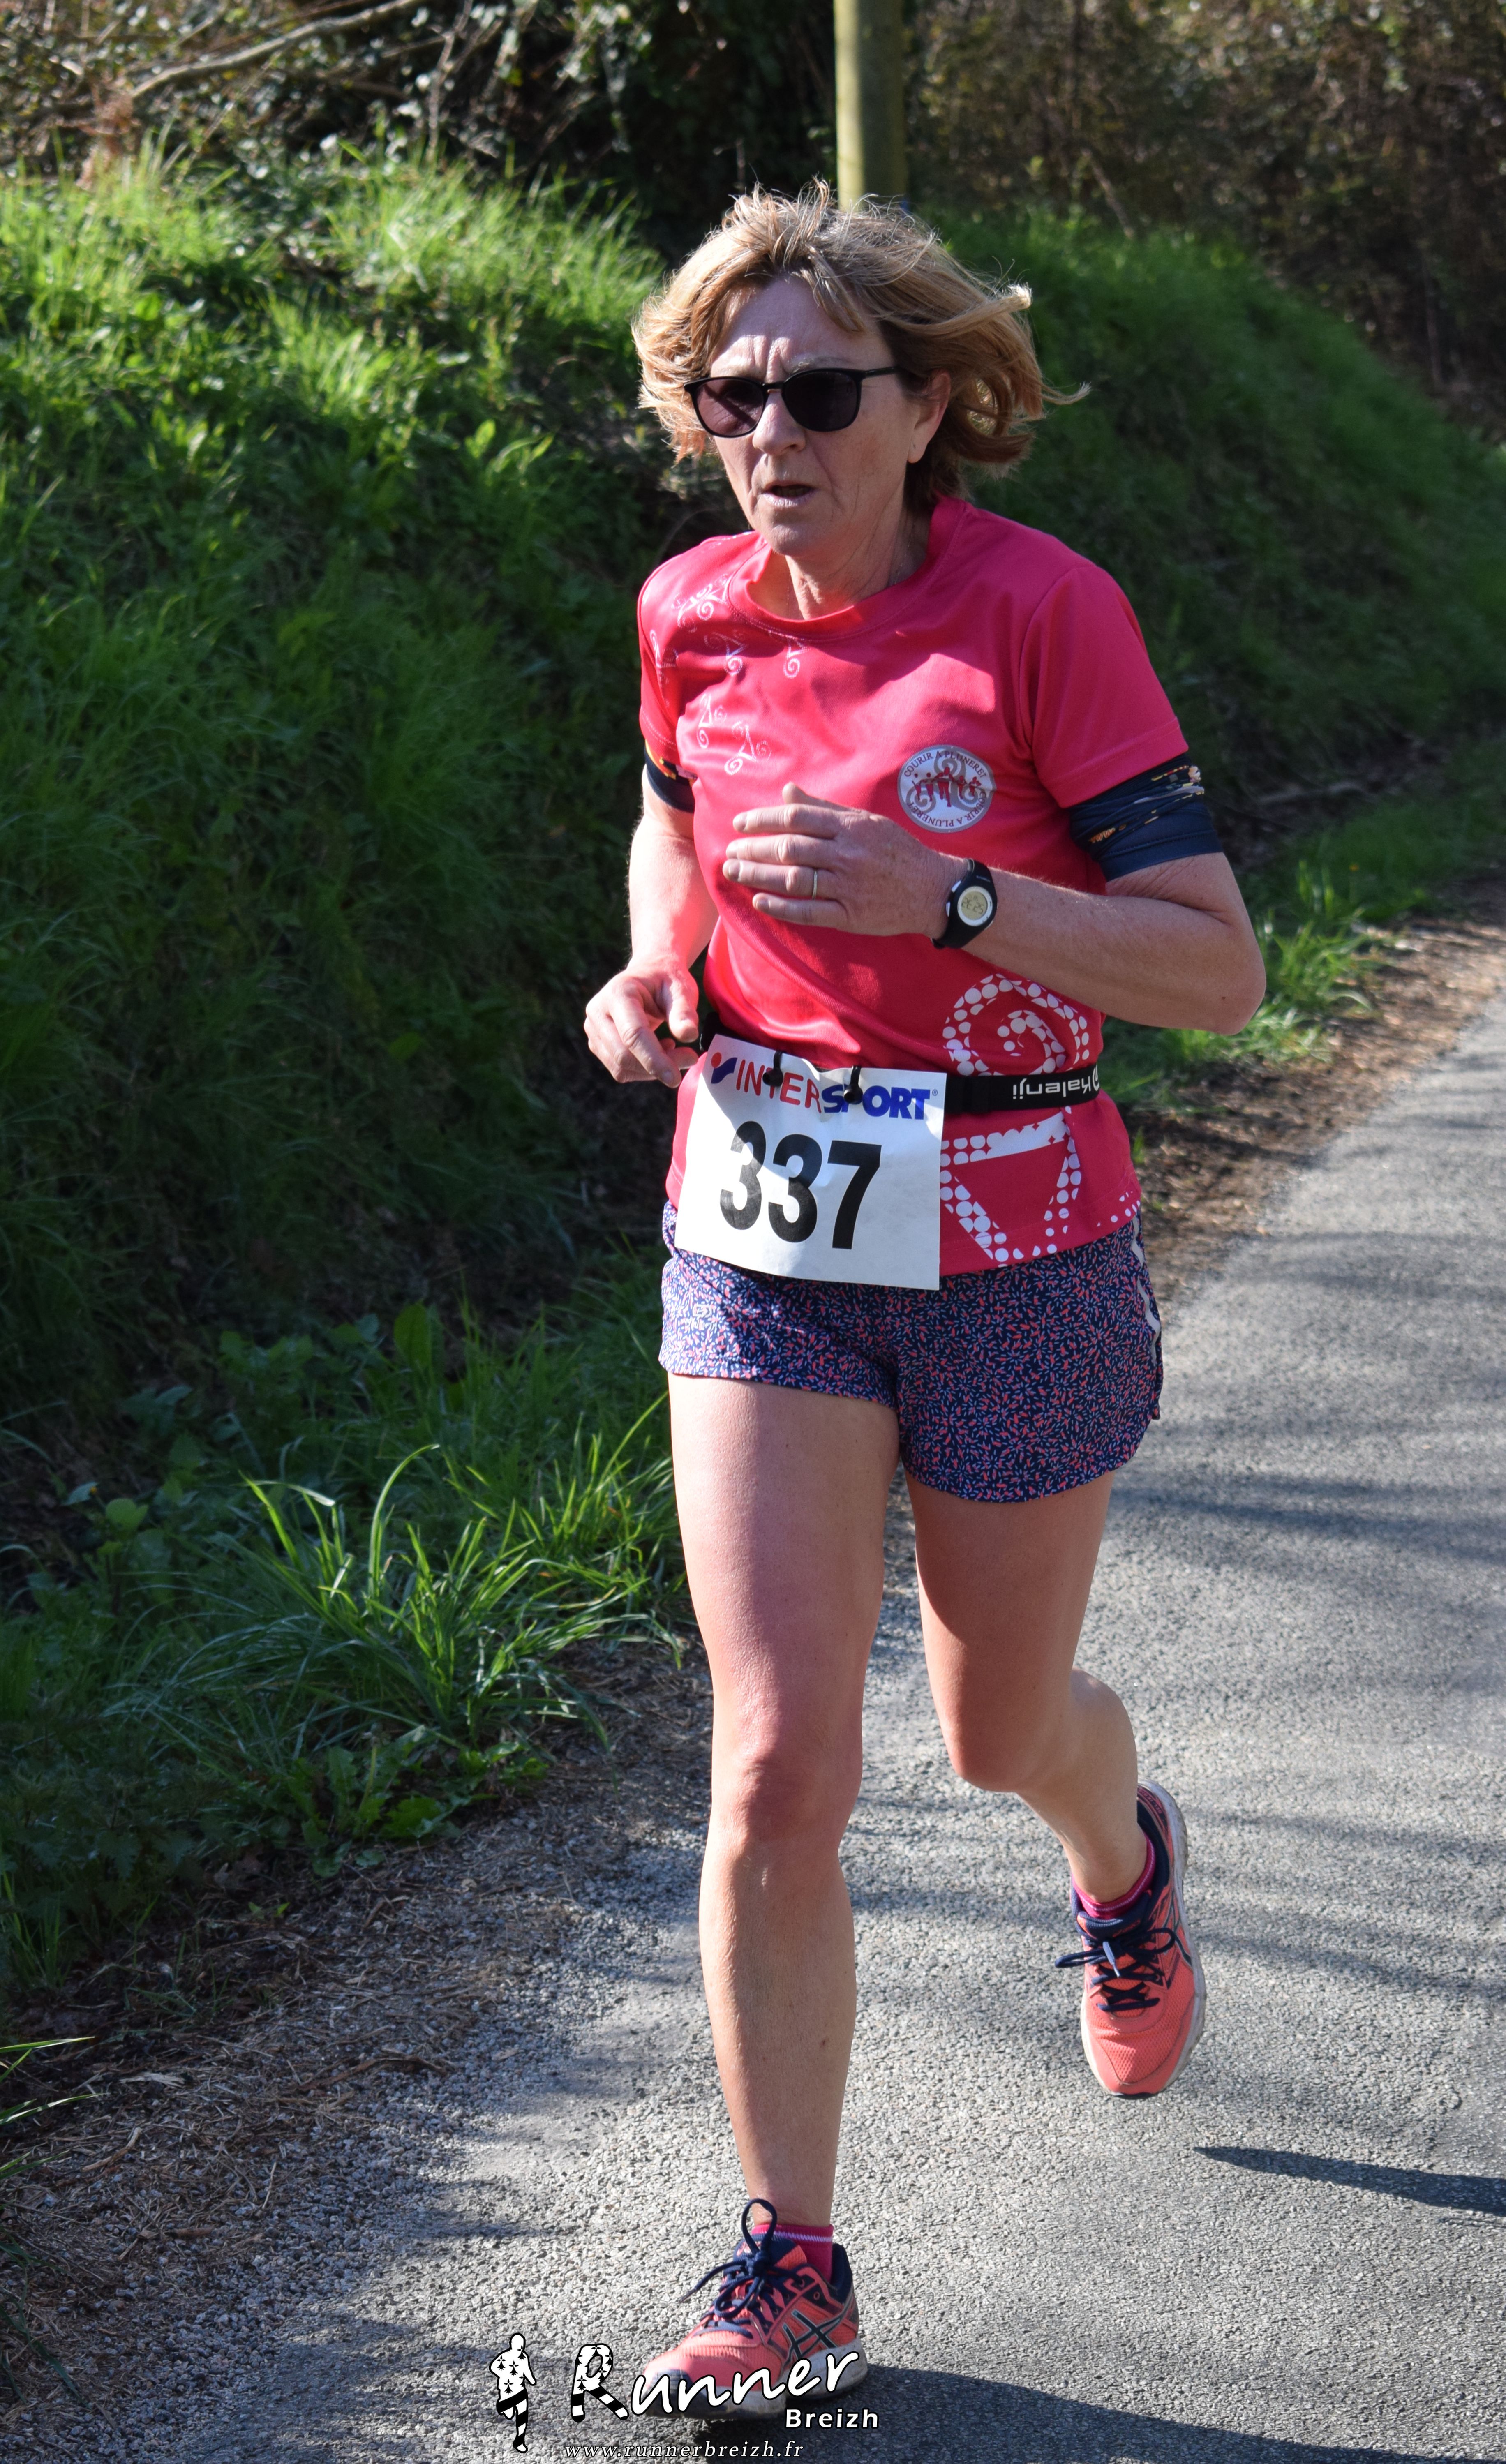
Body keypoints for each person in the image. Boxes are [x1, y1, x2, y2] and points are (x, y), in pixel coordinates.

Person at [583, 184, 1265, 2420]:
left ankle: (1121, 1858)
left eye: (815, 392)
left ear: (927, 405)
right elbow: (675, 820)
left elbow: (1216, 968)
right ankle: (792, 2263)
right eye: (730, 396)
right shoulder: (690, 612)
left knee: (997, 1731)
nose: (766, 433)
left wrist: (954, 900)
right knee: (779, 1761)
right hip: (767, 1232)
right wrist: (658, 965)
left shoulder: (1042, 616)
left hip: (1018, 1235)